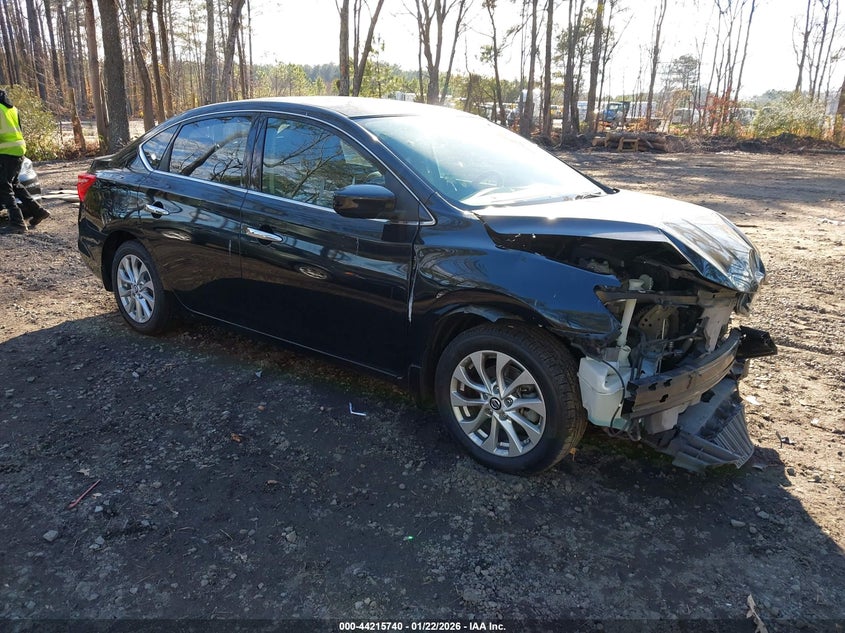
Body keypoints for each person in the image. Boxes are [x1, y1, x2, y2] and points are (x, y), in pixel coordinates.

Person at [0, 89, 50, 234]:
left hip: (5, 151)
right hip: (18, 150)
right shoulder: (12, 108)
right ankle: (38, 211)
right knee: (15, 184)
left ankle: (17, 223)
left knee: (4, 186)